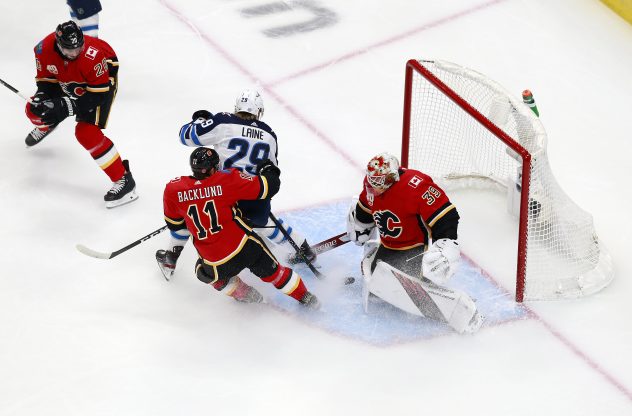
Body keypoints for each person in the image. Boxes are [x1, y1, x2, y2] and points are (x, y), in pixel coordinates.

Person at [155, 147, 320, 309]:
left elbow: (176, 226)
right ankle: (306, 297)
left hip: (215, 260)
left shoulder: (173, 189)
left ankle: (246, 294)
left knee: (203, 273)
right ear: (213, 168)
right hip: (244, 247)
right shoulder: (226, 179)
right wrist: (269, 169)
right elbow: (269, 187)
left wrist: (189, 208)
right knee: (275, 273)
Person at [346, 152, 483, 333]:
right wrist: (360, 223)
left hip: (416, 249)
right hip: (388, 246)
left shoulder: (416, 185)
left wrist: (446, 244)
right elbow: (365, 207)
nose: (374, 186)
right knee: (377, 281)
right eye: (372, 181)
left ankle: (461, 310)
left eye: (379, 182)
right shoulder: (371, 185)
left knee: (395, 283)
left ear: (392, 177)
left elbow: (446, 216)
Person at [177, 89, 317, 265]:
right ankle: (303, 249)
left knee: (200, 220)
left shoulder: (223, 121)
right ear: (258, 111)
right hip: (255, 198)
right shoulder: (269, 134)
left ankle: (175, 254)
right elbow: (271, 168)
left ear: (237, 107)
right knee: (263, 222)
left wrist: (200, 120)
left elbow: (185, 136)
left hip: (222, 198)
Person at [24, 21, 137, 208]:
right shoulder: (43, 49)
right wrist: (45, 97)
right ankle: (48, 124)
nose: (75, 53)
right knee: (34, 110)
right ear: (58, 45)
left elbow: (98, 95)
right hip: (70, 76)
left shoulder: (93, 56)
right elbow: (46, 81)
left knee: (86, 133)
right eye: (70, 50)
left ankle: (124, 180)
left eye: (79, 47)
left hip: (100, 82)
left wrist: (67, 106)